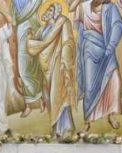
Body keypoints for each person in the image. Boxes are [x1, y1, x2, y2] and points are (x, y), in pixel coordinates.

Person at [24, 2, 77, 135]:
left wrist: (65, 59)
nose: (45, 12)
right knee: (49, 97)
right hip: (46, 69)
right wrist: (30, 37)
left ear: (55, 13)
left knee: (59, 95)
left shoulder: (63, 22)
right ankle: (56, 128)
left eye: (49, 10)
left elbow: (68, 41)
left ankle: (66, 127)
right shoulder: (42, 30)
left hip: (59, 64)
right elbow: (34, 48)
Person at [74, 0, 122, 131]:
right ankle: (88, 121)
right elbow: (77, 29)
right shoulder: (83, 7)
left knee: (113, 81)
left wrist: (111, 45)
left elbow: (118, 25)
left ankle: (111, 115)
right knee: (90, 87)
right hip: (90, 51)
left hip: (107, 49)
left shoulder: (110, 8)